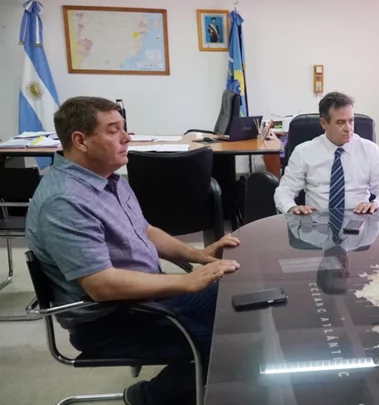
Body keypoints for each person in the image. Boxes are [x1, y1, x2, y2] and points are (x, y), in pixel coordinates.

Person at [26, 96, 241, 405]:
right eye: (114, 130)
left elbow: (145, 231)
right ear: (80, 140)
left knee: (237, 296)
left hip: (146, 299)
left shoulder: (109, 179)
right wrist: (186, 281)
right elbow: (101, 285)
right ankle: (148, 397)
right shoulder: (65, 201)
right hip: (110, 321)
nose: (127, 138)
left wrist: (199, 256)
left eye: (124, 128)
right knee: (229, 343)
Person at [274, 92, 379, 216]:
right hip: (317, 221)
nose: (348, 128)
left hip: (359, 219)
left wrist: (376, 204)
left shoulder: (370, 150)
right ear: (324, 123)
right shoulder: (303, 152)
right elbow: (284, 191)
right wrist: (291, 207)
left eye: (351, 121)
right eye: (340, 122)